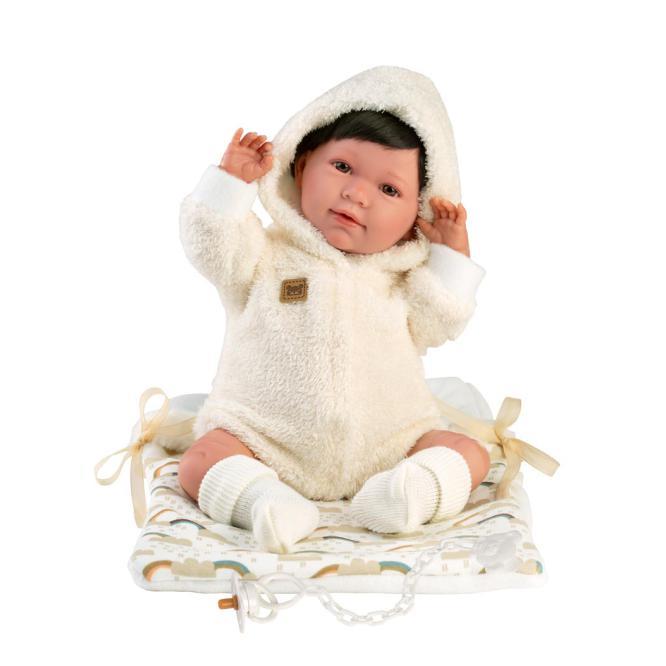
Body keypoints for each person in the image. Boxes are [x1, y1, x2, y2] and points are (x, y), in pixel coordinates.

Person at [177, 66, 490, 554]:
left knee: (469, 454)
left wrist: (451, 255)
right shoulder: (263, 255)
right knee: (199, 461)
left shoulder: (403, 279)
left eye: (389, 190)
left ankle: (410, 493)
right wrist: (228, 186)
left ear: (418, 215)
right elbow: (212, 246)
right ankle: (264, 500)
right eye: (342, 167)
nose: (357, 194)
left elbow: (442, 318)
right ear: (301, 166)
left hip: (388, 445)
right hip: (264, 439)